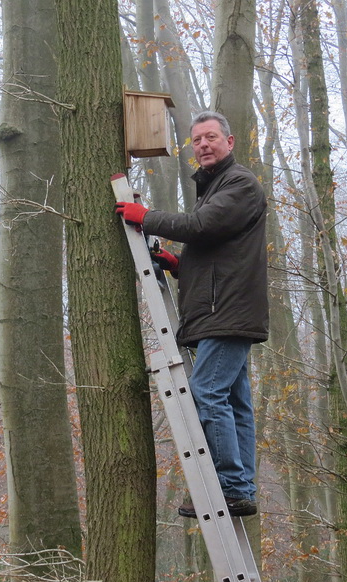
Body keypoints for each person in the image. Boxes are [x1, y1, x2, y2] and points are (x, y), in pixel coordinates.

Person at [115, 110, 269, 518]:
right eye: (197, 139)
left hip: (228, 313)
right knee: (234, 403)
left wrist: (146, 218)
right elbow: (219, 251)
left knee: (208, 393)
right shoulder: (216, 187)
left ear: (229, 142)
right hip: (223, 310)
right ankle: (238, 487)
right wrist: (179, 264)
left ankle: (228, 486)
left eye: (211, 137)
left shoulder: (239, 184)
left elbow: (201, 226)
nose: (203, 145)